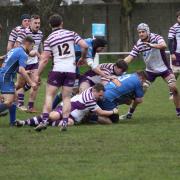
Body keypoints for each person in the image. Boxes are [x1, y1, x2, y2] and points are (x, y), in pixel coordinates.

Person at [34, 14, 88, 131]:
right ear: (62, 23)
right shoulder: (71, 33)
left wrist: (37, 74)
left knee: (49, 95)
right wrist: (82, 58)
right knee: (66, 98)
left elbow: (44, 59)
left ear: (50, 25)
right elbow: (85, 45)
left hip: (57, 70)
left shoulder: (49, 39)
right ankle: (64, 123)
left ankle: (44, 121)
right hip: (70, 70)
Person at [122, 23, 180, 119]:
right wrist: (118, 66)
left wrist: (152, 45)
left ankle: (178, 112)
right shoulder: (139, 44)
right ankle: (129, 114)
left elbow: (164, 45)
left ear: (147, 31)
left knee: (174, 88)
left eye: (143, 31)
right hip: (150, 72)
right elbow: (130, 57)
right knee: (140, 92)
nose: (141, 34)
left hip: (164, 69)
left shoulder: (156, 37)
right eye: (139, 32)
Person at [15, 84, 118, 129]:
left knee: (69, 123)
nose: (100, 98)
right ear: (94, 91)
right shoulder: (90, 100)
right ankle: (24, 122)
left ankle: (45, 123)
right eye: (100, 95)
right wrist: (113, 112)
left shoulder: (91, 89)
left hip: (73, 117)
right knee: (54, 116)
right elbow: (101, 112)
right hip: (67, 107)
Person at [0, 36, 37, 125]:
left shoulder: (15, 50)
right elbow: (21, 70)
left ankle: (13, 122)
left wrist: (26, 71)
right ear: (27, 44)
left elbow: (10, 65)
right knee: (8, 102)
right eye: (32, 46)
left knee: (15, 99)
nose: (32, 49)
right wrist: (31, 83)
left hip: (4, 75)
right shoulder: (23, 54)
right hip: (6, 78)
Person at [15, 14, 43, 112]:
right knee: (20, 84)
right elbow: (17, 47)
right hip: (23, 62)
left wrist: (40, 57)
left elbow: (37, 47)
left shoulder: (40, 33)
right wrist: (28, 54)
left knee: (35, 83)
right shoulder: (23, 33)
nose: (37, 25)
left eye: (39, 23)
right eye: (35, 23)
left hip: (34, 63)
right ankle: (16, 100)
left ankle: (31, 106)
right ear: (30, 23)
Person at [168, 10, 180, 99]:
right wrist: (172, 53)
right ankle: (172, 92)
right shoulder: (173, 28)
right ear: (177, 18)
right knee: (175, 73)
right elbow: (170, 41)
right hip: (176, 53)